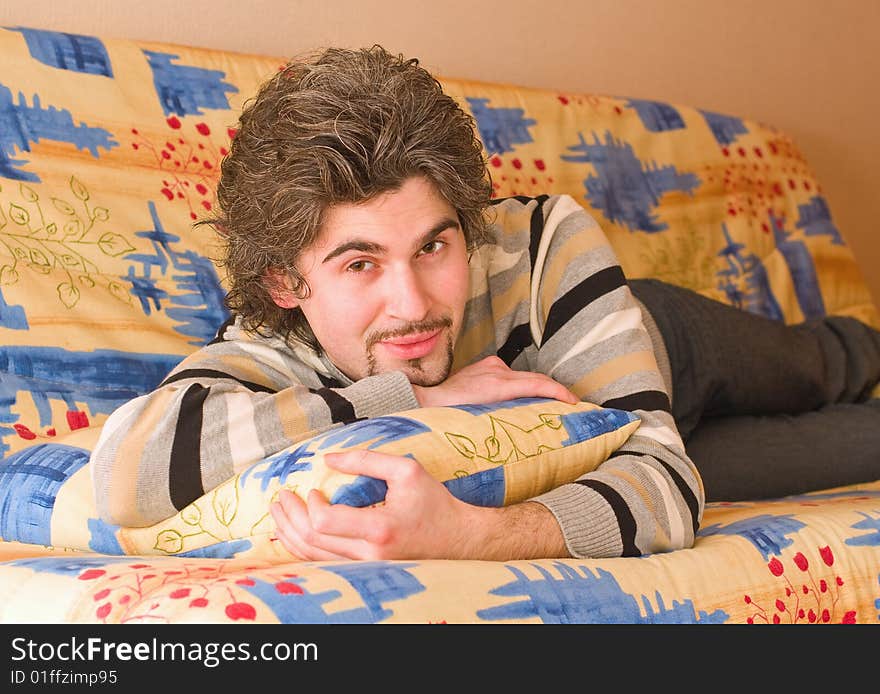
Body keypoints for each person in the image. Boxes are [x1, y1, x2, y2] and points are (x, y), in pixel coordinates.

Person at [90, 46, 880, 562]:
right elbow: (125, 471)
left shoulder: (536, 241)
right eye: (361, 263)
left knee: (825, 364)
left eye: (435, 247)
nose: (414, 303)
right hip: (616, 446)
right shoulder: (276, 341)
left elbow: (659, 482)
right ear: (286, 286)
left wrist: (469, 536)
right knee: (857, 446)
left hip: (640, 345)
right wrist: (414, 396)